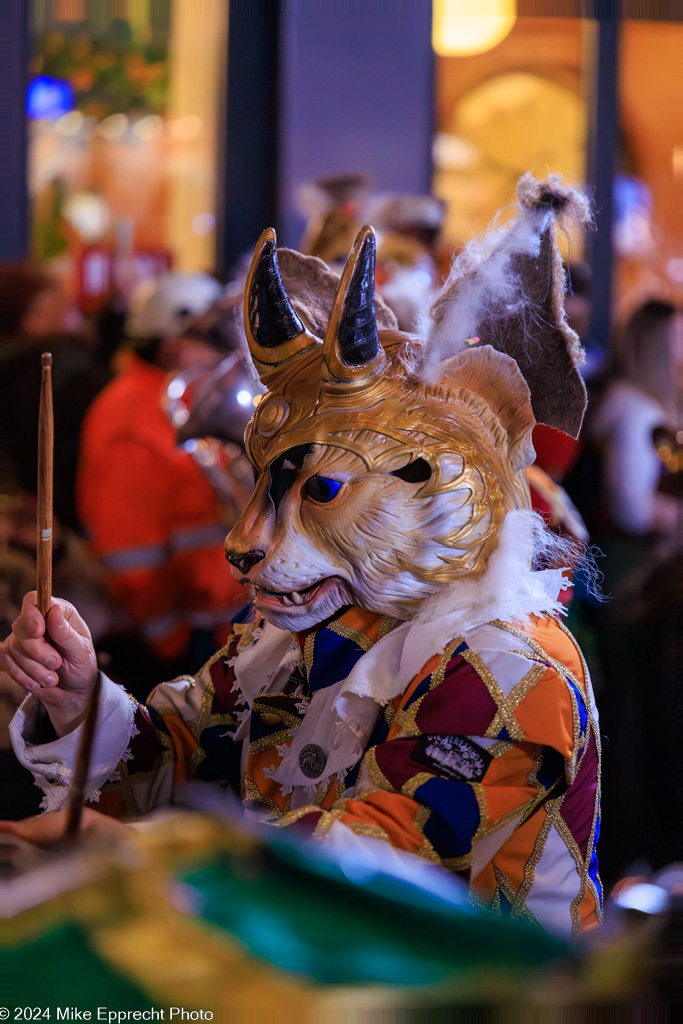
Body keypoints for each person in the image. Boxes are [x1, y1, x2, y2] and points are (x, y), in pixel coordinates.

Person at [3, 175, 601, 938]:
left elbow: (367, 871)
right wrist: (79, 694)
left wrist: (131, 851)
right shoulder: (294, 633)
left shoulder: (508, 666)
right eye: (265, 485)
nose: (243, 541)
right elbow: (173, 758)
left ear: (431, 489)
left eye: (320, 489)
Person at [75, 272, 246, 681]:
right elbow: (129, 555)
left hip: (217, 622)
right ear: (172, 346)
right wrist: (171, 640)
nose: (219, 357)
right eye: (208, 344)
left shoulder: (173, 401)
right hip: (183, 642)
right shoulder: (132, 419)